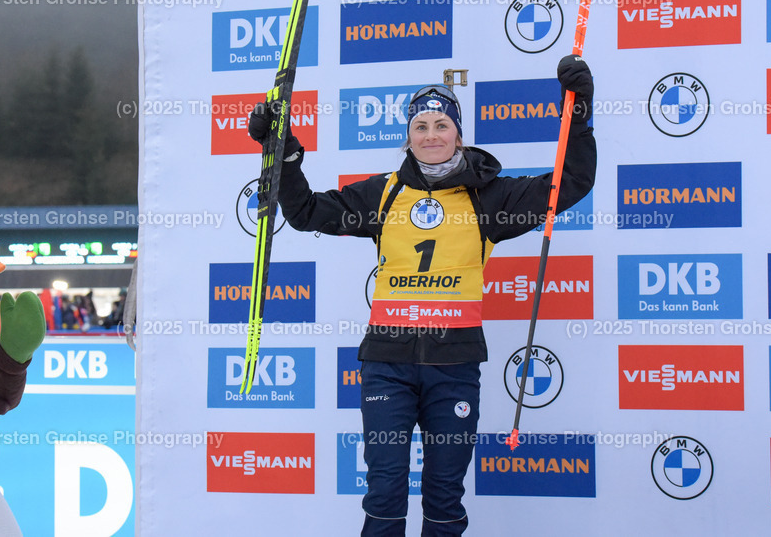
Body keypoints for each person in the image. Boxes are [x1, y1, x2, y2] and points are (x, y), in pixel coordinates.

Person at [247, 55, 596, 536]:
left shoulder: (488, 198)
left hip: (453, 368)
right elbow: (307, 211)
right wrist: (283, 152)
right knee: (384, 494)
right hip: (387, 365)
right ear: (408, 136)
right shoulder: (383, 195)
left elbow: (570, 184)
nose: (431, 135)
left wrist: (579, 114)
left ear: (458, 132)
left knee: (444, 498)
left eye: (442, 124)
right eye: (420, 125)